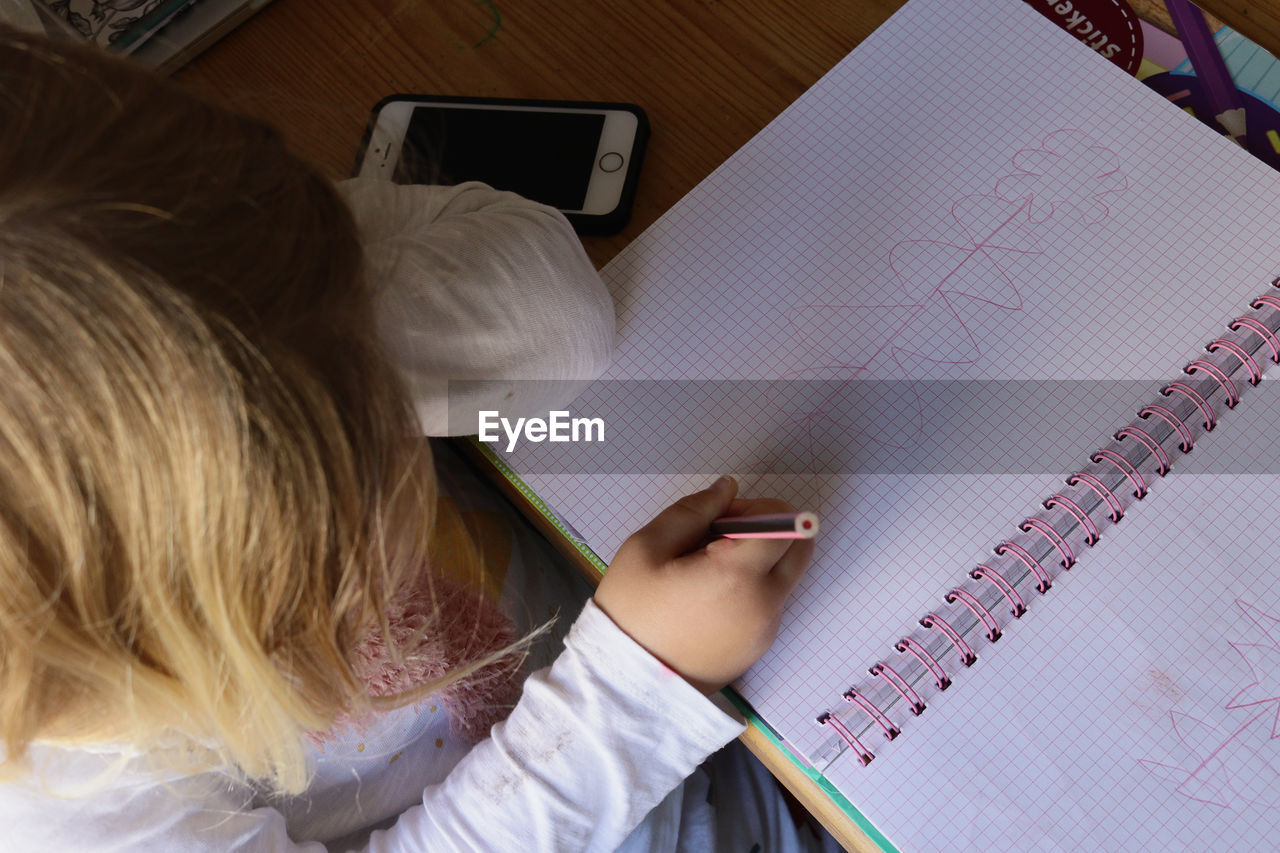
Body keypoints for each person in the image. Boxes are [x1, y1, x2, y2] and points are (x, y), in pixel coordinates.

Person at [0, 25, 830, 851]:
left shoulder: (194, 298)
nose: (406, 439)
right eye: (360, 459)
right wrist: (634, 694)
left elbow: (558, 320)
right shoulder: (72, 816)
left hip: (700, 687)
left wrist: (288, 318)